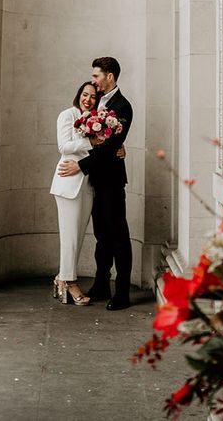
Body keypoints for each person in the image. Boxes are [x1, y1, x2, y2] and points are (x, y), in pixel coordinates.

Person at [58, 57, 133, 310]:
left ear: (109, 76)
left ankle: (122, 292)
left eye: (97, 76)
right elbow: (91, 138)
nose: (93, 80)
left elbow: (111, 144)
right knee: (102, 237)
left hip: (111, 181)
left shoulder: (123, 106)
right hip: (93, 183)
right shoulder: (95, 104)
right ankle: (102, 283)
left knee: (119, 235)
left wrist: (81, 165)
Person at [49, 82, 99, 305]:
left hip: (88, 183)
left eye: (93, 97)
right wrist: (90, 142)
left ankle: (61, 278)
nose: (88, 99)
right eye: (85, 94)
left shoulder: (97, 120)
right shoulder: (67, 115)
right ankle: (70, 283)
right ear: (79, 94)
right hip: (68, 181)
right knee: (69, 237)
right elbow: (63, 146)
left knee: (77, 237)